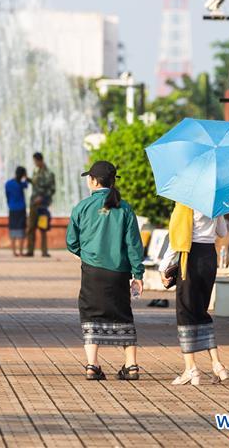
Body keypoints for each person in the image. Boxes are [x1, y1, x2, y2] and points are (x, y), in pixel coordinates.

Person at [67, 161, 143, 381]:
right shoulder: (125, 208)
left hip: (92, 270)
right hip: (119, 271)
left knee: (90, 313)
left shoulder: (82, 207)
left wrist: (87, 254)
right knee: (123, 314)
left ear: (92, 181)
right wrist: (137, 274)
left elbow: (71, 242)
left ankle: (92, 365)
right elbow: (134, 245)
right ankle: (131, 365)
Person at [161, 203, 229, 385]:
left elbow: (177, 239)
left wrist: (163, 267)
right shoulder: (216, 202)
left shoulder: (186, 202)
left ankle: (191, 369)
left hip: (190, 257)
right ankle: (217, 364)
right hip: (209, 257)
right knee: (201, 311)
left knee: (185, 312)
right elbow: (222, 233)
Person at [25, 152, 56, 257]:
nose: (35, 163)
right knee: (31, 227)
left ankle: (44, 251)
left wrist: (42, 198)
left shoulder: (49, 173)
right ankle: (30, 250)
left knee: (43, 227)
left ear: (40, 160)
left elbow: (52, 189)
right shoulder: (35, 171)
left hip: (43, 205)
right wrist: (27, 179)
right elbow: (35, 184)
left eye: (35, 161)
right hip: (33, 203)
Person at [5, 166, 29, 257]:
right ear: (23, 174)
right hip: (21, 209)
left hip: (12, 209)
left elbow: (7, 196)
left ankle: (14, 251)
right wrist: (26, 177)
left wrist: (10, 204)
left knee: (13, 229)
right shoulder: (21, 184)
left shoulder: (8, 183)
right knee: (21, 229)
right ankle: (21, 251)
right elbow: (27, 185)